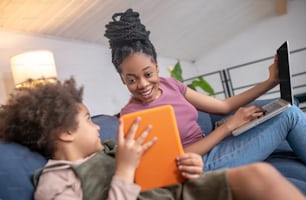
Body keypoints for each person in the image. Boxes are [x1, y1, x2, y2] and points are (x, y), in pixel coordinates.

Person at [1, 78, 306, 200]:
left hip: (178, 194)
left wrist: (189, 165)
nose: (97, 128)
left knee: (260, 175)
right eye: (89, 120)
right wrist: (124, 170)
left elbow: (162, 170)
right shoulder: (54, 183)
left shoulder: (110, 149)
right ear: (65, 133)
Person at [104, 8, 306, 171]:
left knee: (286, 110)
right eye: (132, 80)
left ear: (156, 66)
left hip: (215, 147)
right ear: (122, 79)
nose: (143, 85)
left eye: (148, 74)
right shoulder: (132, 115)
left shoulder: (170, 84)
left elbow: (223, 105)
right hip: (201, 165)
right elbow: (176, 159)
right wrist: (229, 126)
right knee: (290, 116)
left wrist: (270, 82)